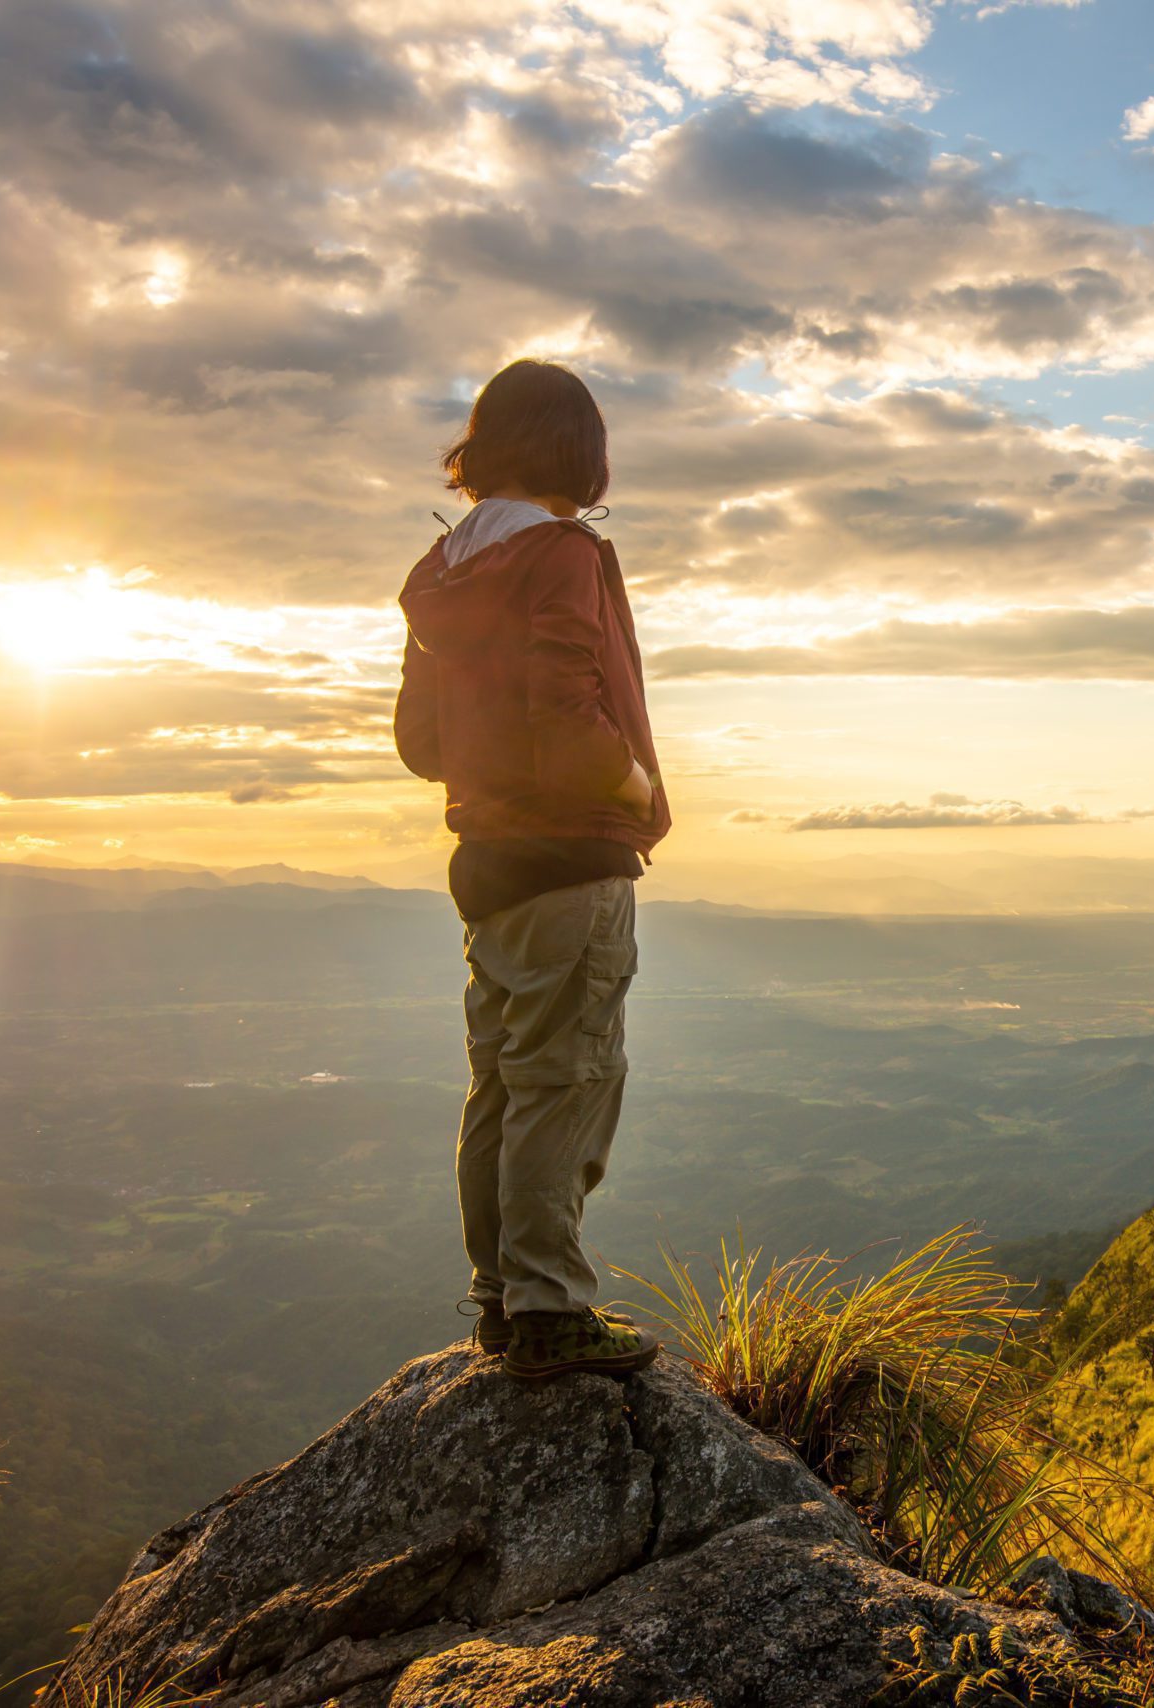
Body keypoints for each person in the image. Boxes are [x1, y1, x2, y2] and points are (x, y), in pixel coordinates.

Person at [393, 359, 671, 1382]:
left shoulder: (446, 571)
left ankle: (504, 1301)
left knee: (502, 1084)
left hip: (488, 857)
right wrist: (632, 786)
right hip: (571, 849)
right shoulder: (559, 555)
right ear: (577, 453)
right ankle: (552, 1307)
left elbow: (420, 740)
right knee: (569, 1076)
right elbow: (565, 696)